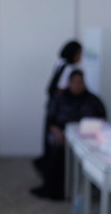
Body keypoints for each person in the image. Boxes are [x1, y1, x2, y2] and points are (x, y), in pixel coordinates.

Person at [31, 70, 106, 200]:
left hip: (86, 137)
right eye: (75, 82)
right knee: (55, 146)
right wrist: (58, 131)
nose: (78, 85)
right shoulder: (60, 98)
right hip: (61, 134)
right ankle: (56, 189)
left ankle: (91, 186)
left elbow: (102, 121)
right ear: (69, 83)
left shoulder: (93, 100)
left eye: (80, 82)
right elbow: (50, 120)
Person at [34, 40, 82, 175]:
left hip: (53, 105)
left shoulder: (61, 63)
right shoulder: (69, 68)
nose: (80, 57)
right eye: (79, 54)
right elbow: (60, 89)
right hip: (59, 108)